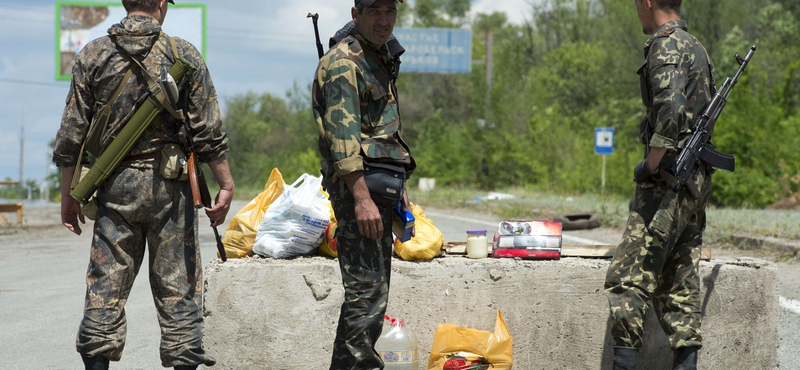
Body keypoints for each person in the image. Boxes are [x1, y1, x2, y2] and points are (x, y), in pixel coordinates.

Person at [53, 0, 233, 369]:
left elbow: (72, 134)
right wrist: (225, 184)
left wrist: (68, 196)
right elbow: (207, 130)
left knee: (105, 285)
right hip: (171, 189)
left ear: (123, 2)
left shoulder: (93, 54)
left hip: (114, 185)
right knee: (178, 288)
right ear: (163, 4)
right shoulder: (182, 53)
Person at [604, 1, 716, 370]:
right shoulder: (695, 46)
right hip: (692, 184)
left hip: (667, 181)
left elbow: (670, 109)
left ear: (649, 1)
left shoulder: (664, 45)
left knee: (627, 280)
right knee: (680, 282)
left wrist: (649, 165)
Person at [312, 0, 415, 368]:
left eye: (390, 11)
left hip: (378, 190)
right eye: (374, 11)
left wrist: (400, 183)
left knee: (368, 296)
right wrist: (361, 199)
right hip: (359, 192)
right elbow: (343, 140)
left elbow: (383, 131)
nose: (384, 20)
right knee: (366, 296)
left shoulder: (378, 57)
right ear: (356, 15)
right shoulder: (345, 62)